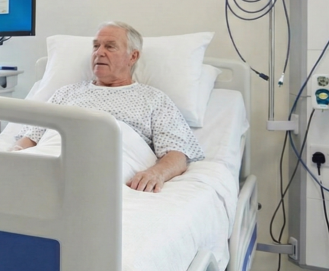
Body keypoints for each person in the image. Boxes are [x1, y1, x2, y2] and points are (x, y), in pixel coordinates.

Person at [11, 22, 204, 193]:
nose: (99, 52)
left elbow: (177, 154)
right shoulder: (66, 93)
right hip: (48, 159)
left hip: (109, 162)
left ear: (133, 56)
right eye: (96, 46)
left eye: (110, 46)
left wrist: (156, 173)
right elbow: (32, 137)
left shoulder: (153, 98)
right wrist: (13, 158)